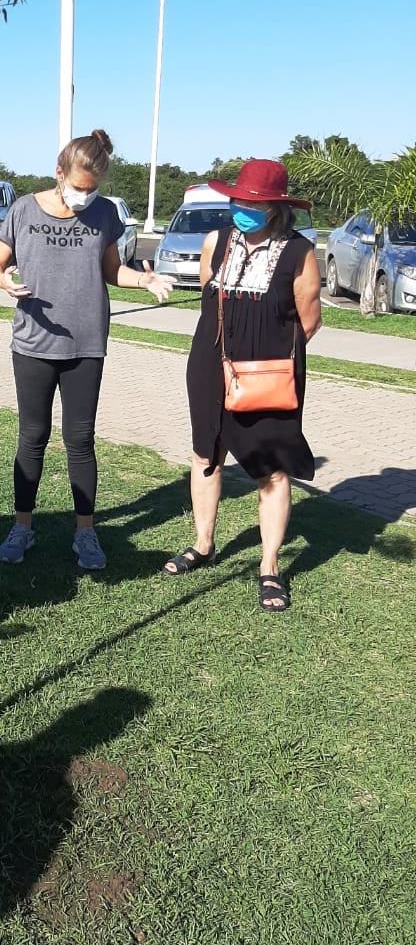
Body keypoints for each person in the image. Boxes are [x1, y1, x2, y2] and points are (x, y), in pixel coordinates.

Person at [0, 130, 174, 570]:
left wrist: (143, 280)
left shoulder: (106, 214)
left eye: (92, 189)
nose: (84, 196)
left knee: (80, 439)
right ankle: (22, 527)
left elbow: (113, 272)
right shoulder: (23, 210)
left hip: (87, 344)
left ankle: (85, 534)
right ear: (59, 173)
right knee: (32, 436)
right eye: (78, 187)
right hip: (33, 342)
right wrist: (4, 282)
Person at [166, 158, 321, 611]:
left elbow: (308, 320)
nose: (242, 208)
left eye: (253, 202)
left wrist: (263, 360)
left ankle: (270, 566)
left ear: (275, 207)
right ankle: (203, 543)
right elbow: (209, 305)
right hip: (211, 366)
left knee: (272, 469)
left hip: (268, 376)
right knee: (206, 456)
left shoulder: (298, 251)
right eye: (238, 199)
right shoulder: (217, 242)